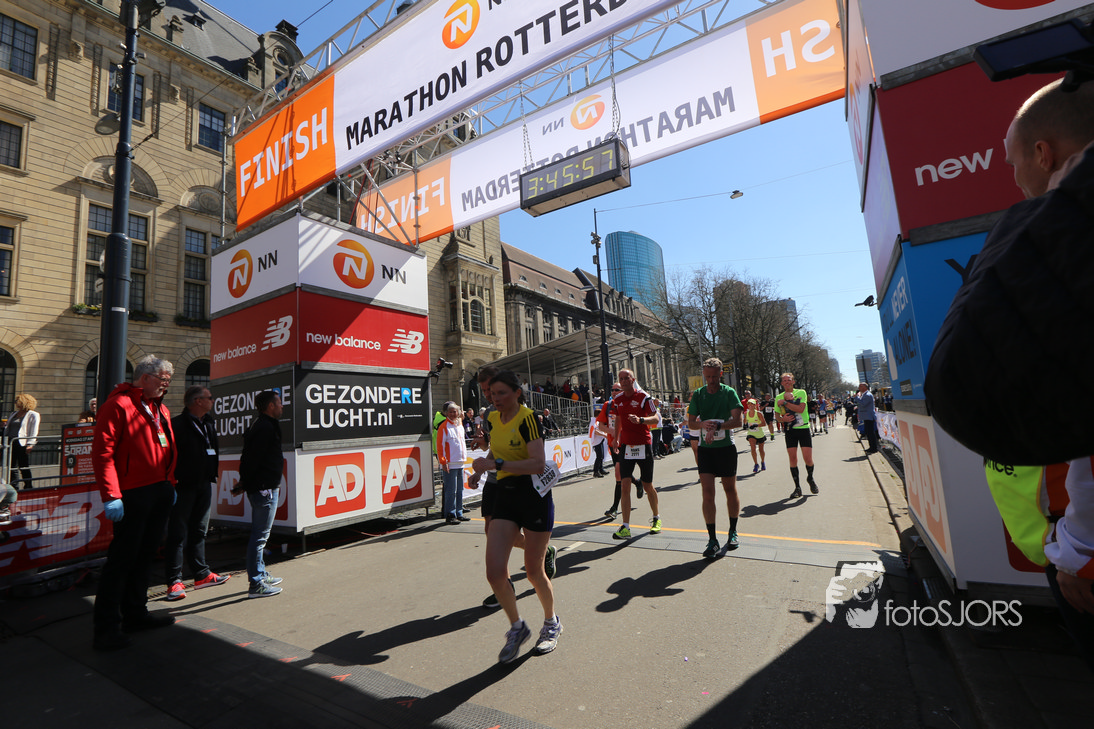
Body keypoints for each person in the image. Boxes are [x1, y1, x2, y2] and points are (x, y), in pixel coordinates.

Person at [470, 370, 561, 663]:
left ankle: (551, 622)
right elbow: (495, 454)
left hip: (534, 497)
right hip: (506, 495)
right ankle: (517, 627)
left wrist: (496, 464)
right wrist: (480, 471)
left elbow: (537, 464)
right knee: (495, 572)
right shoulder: (492, 419)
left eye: (501, 393)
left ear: (517, 393)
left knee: (534, 572)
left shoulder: (528, 418)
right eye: (492, 393)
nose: (495, 398)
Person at [92, 355, 178, 651]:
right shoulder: (117, 405)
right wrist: (112, 495)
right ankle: (106, 628)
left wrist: (170, 483)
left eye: (168, 381)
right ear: (145, 378)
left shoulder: (160, 408)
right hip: (132, 493)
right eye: (163, 380)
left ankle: (136, 614)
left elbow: (167, 448)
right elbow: (102, 453)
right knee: (122, 560)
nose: (166, 386)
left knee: (145, 556)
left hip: (158, 490)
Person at [164, 385, 230, 601]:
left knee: (199, 530)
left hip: (204, 483)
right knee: (177, 533)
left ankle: (201, 574)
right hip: (183, 486)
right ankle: (174, 581)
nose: (212, 401)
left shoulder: (208, 423)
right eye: (209, 397)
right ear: (198, 401)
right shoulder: (177, 425)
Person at [688, 358, 744, 557]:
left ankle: (733, 531)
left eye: (714, 376)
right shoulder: (699, 394)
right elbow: (691, 423)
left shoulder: (729, 393)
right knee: (707, 493)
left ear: (720, 374)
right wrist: (703, 425)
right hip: (706, 450)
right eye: (708, 376)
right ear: (704, 374)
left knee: (729, 489)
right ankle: (712, 539)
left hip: (726, 448)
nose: (711, 380)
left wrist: (718, 426)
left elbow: (738, 421)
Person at [236, 390, 285, 598]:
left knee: (261, 536)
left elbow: (249, 457)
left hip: (263, 487)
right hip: (264, 489)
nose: (282, 406)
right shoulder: (264, 427)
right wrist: (246, 482)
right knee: (260, 537)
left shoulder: (263, 424)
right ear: (271, 406)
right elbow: (251, 459)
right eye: (279, 403)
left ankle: (261, 574)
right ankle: (256, 584)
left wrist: (244, 482)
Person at [610, 369, 662, 540]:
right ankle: (625, 526)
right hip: (626, 446)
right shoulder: (617, 400)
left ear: (633, 380)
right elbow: (618, 418)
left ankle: (656, 517)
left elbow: (656, 418)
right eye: (621, 379)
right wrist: (616, 438)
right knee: (624, 485)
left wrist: (641, 420)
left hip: (643, 445)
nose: (624, 381)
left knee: (647, 485)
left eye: (627, 378)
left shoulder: (644, 397)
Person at [775, 372, 818, 499]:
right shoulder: (778, 397)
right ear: (782, 383)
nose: (787, 382)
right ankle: (797, 488)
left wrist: (785, 403)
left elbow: (800, 409)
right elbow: (777, 416)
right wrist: (782, 419)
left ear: (793, 381)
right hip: (790, 430)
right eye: (784, 380)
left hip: (803, 429)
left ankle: (810, 478)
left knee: (808, 459)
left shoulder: (801, 393)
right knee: (793, 459)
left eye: (789, 380)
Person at [436, 400, 469, 524]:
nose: (453, 414)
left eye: (455, 411)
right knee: (451, 490)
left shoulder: (459, 425)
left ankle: (459, 512)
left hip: (460, 462)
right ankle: (450, 514)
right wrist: (443, 462)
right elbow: (440, 446)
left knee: (460, 489)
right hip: (450, 463)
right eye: (450, 412)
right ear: (446, 413)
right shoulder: (444, 426)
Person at [597, 382, 625, 518]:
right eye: (612, 390)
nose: (614, 392)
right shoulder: (607, 406)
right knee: (621, 474)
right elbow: (600, 426)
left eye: (617, 389)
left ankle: (614, 508)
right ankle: (637, 482)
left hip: (626, 444)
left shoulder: (628, 404)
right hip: (612, 444)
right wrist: (613, 432)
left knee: (619, 473)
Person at [5, 394, 39, 489]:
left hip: (22, 443)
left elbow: (34, 430)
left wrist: (30, 444)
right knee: (12, 466)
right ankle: (14, 486)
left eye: (17, 401)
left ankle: (28, 486)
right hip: (11, 442)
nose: (15, 403)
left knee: (23, 465)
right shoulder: (14, 413)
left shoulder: (33, 414)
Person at [743, 397, 768, 474]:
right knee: (753, 448)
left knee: (761, 450)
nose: (750, 405)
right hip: (751, 433)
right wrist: (745, 424)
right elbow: (745, 422)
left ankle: (762, 462)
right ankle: (756, 464)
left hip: (759, 434)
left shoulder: (758, 413)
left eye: (752, 404)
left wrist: (756, 425)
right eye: (749, 404)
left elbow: (764, 424)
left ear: (755, 405)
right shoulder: (746, 413)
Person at [857, 383, 879, 454]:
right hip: (867, 416)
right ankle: (871, 447)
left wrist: (857, 397)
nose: (859, 388)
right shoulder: (865, 394)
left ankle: (874, 448)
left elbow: (863, 404)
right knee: (869, 432)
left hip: (869, 416)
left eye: (860, 386)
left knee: (871, 433)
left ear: (865, 387)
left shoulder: (867, 395)